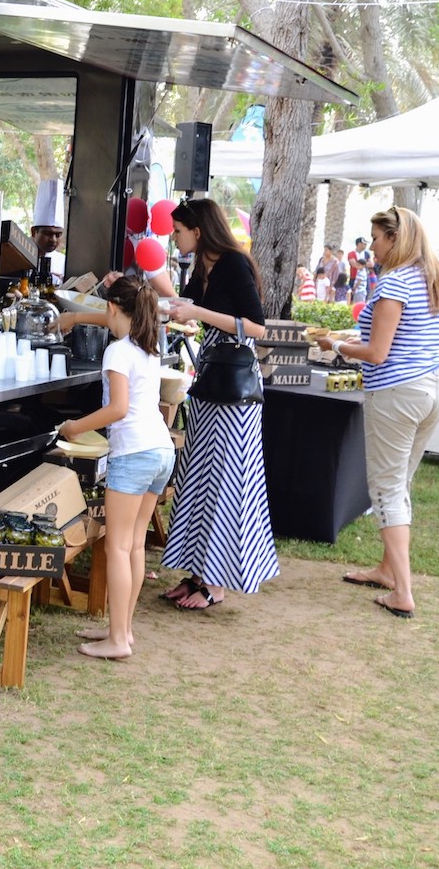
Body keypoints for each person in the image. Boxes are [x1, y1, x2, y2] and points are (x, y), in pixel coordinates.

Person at [316, 207, 439, 618]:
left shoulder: (394, 282)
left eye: (376, 238)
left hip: (397, 394)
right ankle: (388, 570)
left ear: (394, 238)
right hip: (433, 389)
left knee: (387, 489)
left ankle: (402, 592)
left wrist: (335, 345)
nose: (371, 246)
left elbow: (377, 352)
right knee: (400, 482)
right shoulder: (435, 278)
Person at [160, 198, 278, 609]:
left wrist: (200, 313)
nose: (174, 238)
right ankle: (198, 574)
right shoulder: (201, 267)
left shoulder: (233, 263)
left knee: (228, 479)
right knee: (199, 475)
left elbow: (257, 327)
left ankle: (218, 583)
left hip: (236, 390)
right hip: (211, 380)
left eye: (178, 231)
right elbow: (190, 308)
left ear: (198, 230)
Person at [58, 276, 175, 660]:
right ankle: (121, 629)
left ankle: (119, 640)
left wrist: (75, 427)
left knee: (118, 546)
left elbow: (118, 409)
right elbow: (110, 319)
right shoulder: (147, 347)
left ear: (112, 307)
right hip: (160, 450)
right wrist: (77, 318)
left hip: (134, 454)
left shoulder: (117, 352)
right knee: (135, 544)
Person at [348, 237, 374, 303]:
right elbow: (354, 264)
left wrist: (360, 264)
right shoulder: (351, 254)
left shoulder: (366, 254)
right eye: (364, 244)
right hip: (354, 277)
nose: (365, 245)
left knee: (366, 296)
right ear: (359, 244)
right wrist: (364, 264)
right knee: (352, 296)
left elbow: (371, 264)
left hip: (365, 278)